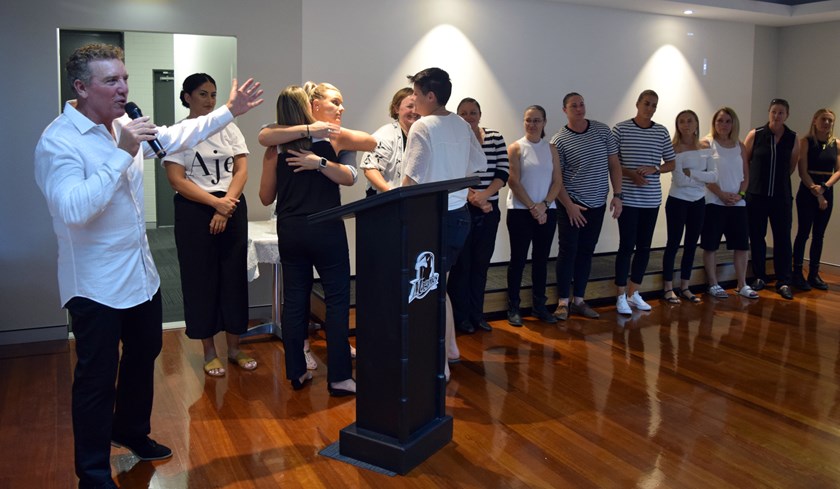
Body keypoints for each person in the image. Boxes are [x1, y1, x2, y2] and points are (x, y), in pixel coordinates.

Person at [33, 43, 263, 489]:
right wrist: (122, 153)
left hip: (140, 276)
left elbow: (175, 136)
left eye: (124, 78)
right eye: (111, 81)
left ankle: (131, 431)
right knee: (97, 378)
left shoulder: (124, 125)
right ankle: (93, 473)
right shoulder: (58, 141)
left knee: (143, 357)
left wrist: (229, 112)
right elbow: (74, 210)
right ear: (81, 87)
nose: (123, 88)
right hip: (95, 286)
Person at [259, 83, 374, 396]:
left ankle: (297, 372)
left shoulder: (275, 146)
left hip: (290, 228)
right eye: (335, 101)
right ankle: (339, 378)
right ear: (311, 104)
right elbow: (372, 141)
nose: (340, 108)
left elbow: (266, 197)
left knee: (295, 298)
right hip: (325, 227)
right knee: (336, 300)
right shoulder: (332, 136)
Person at [163, 73, 255, 377]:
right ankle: (209, 352)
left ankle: (235, 348)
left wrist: (226, 205)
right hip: (195, 210)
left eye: (213, 94)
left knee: (233, 277)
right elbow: (176, 180)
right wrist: (215, 205)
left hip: (231, 205)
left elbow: (241, 169)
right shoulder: (178, 132)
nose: (210, 100)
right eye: (203, 94)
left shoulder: (229, 127)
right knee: (200, 278)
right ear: (187, 97)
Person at [400, 68, 487, 380]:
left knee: (430, 289)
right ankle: (450, 349)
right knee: (439, 286)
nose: (413, 100)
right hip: (460, 216)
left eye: (416, 94)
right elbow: (478, 165)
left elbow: (410, 180)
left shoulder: (422, 126)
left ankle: (440, 364)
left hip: (432, 217)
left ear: (431, 96)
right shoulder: (461, 125)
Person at [550, 92, 623, 321]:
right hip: (571, 205)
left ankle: (579, 300)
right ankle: (563, 302)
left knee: (586, 251)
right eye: (574, 106)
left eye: (581, 104)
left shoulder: (602, 131)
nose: (579, 109)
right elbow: (557, 180)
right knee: (568, 251)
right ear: (565, 110)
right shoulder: (559, 140)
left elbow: (614, 164)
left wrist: (617, 195)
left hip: (597, 204)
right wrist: (570, 206)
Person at [448, 97, 509, 334]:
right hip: (462, 209)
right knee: (462, 266)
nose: (468, 117)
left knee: (481, 265)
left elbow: (503, 172)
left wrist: (485, 196)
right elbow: (452, 174)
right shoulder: (454, 139)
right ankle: (461, 318)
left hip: (489, 210)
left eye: (473, 112)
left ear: (480, 115)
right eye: (463, 113)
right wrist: (474, 197)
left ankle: (477, 315)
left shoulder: (495, 137)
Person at [612, 89, 676, 315]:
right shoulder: (621, 129)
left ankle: (633, 293)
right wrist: (631, 174)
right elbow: (613, 162)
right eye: (647, 103)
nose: (650, 108)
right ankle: (620, 296)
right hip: (628, 199)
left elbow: (671, 163)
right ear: (638, 103)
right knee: (626, 246)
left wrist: (655, 168)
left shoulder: (661, 131)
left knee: (644, 248)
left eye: (654, 105)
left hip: (651, 200)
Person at [506, 105, 562, 326]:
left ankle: (539, 307)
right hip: (520, 212)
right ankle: (513, 308)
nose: (532, 124)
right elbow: (513, 181)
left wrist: (544, 205)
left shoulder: (551, 149)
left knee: (541, 260)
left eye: (536, 120)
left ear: (544, 122)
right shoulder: (516, 148)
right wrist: (533, 207)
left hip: (547, 212)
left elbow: (557, 181)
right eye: (528, 120)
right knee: (518, 260)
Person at [744, 98, 800, 300]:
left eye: (781, 112)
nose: (777, 116)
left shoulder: (793, 138)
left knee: (783, 238)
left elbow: (791, 166)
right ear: (769, 112)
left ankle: (783, 281)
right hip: (756, 195)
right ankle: (760, 276)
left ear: (787, 115)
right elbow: (745, 161)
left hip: (781, 197)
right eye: (774, 111)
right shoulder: (756, 134)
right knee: (757, 236)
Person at [700, 107, 757, 299]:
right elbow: (704, 176)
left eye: (728, 121)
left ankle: (742, 284)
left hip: (737, 204)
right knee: (711, 246)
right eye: (720, 121)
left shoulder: (740, 145)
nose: (723, 125)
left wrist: (740, 194)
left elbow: (746, 175)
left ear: (733, 124)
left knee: (741, 246)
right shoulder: (706, 143)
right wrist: (721, 194)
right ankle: (713, 284)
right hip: (714, 202)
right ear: (714, 123)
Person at [661, 110, 717, 304]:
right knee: (673, 244)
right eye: (682, 122)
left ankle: (685, 286)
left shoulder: (706, 146)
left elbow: (713, 176)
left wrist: (692, 173)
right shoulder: (674, 148)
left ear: (696, 123)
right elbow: (680, 180)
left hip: (698, 202)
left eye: (689, 121)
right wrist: (701, 178)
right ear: (677, 126)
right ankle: (668, 288)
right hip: (678, 201)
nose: (686, 125)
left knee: (691, 245)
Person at [792, 108, 840, 291]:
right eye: (823, 119)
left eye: (830, 120)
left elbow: (838, 171)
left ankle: (813, 274)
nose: (826, 123)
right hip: (808, 191)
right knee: (803, 233)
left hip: (826, 190)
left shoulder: (836, 144)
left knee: (819, 235)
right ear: (815, 120)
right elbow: (802, 172)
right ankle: (797, 273)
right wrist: (817, 192)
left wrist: (825, 188)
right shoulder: (805, 142)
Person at [360, 87, 418, 196]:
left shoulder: (420, 136)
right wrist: (391, 194)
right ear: (396, 109)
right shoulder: (386, 134)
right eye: (410, 106)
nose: (415, 111)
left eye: (417, 106)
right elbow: (370, 168)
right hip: (385, 199)